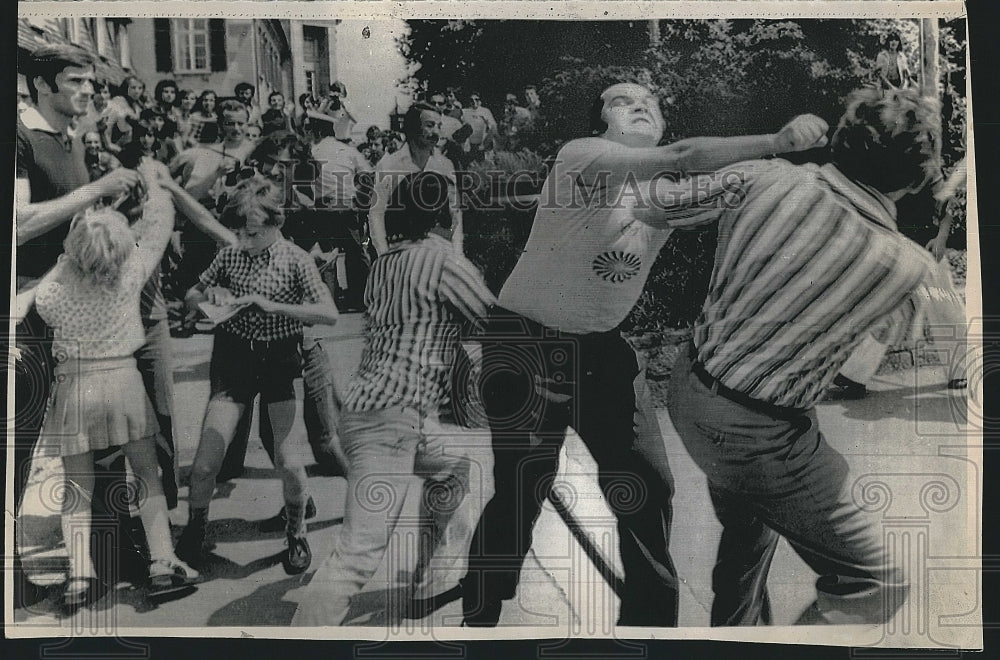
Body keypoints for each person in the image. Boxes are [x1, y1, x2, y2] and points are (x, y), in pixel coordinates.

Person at [460, 81, 831, 627]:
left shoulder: (667, 191)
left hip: (603, 353)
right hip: (524, 345)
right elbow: (688, 156)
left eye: (651, 104)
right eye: (621, 100)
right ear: (600, 124)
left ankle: (651, 627)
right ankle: (482, 607)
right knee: (524, 485)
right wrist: (778, 138)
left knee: (650, 487)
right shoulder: (581, 159)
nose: (639, 105)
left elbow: (735, 187)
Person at [665, 87, 963, 626]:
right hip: (763, 436)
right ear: (916, 178)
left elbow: (653, 204)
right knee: (880, 580)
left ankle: (734, 636)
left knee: (750, 528)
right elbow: (894, 364)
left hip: (690, 391)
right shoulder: (910, 268)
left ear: (843, 141)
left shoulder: (765, 177)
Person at [290, 171, 495, 626]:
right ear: (445, 213)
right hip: (392, 422)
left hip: (377, 412)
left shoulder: (385, 262)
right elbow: (494, 324)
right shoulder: (443, 261)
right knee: (357, 555)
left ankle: (428, 582)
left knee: (456, 469)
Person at [25, 162, 199, 607]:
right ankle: (162, 560)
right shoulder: (130, 275)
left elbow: (46, 297)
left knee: (76, 487)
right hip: (123, 383)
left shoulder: (54, 290)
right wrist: (158, 192)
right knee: (146, 474)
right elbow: (157, 230)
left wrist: (70, 251)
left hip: (73, 389)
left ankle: (80, 575)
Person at [14, 44, 145, 606]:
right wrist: (93, 191)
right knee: (17, 444)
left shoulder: (69, 137)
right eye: (75, 81)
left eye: (91, 81)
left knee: (87, 441)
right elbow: (17, 226)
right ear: (42, 86)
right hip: (25, 313)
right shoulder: (20, 137)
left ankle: (107, 556)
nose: (90, 91)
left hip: (64, 310)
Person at [175, 175, 340, 575]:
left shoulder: (296, 259)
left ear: (275, 224)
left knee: (289, 461)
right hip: (235, 361)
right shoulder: (232, 253)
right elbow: (192, 294)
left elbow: (329, 313)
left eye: (251, 233)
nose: (243, 240)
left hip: (280, 362)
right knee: (203, 465)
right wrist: (206, 298)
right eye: (238, 232)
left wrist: (272, 306)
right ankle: (195, 530)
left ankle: (296, 532)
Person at [368, 101, 463, 256]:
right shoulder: (388, 165)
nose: (436, 132)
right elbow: (376, 214)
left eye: (439, 126)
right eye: (430, 125)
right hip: (399, 255)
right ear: (413, 127)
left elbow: (455, 213)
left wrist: (457, 255)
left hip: (439, 254)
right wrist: (384, 254)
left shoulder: (445, 165)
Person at [306, 110, 374, 310]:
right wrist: (360, 203)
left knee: (325, 252)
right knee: (355, 252)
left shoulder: (311, 151)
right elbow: (368, 177)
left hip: (321, 207)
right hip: (347, 206)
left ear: (316, 131)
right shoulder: (349, 151)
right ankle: (361, 298)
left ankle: (329, 298)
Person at [106, 75, 147, 151]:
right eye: (133, 88)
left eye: (140, 88)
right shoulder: (117, 102)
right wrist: (109, 145)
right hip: (115, 145)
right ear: (126, 88)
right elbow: (108, 126)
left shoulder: (137, 107)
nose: (137, 91)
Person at [463, 92, 498, 158]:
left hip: (483, 144)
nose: (474, 102)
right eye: (471, 100)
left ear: (480, 101)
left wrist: (485, 144)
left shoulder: (486, 111)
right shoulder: (465, 112)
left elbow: (493, 128)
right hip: (470, 145)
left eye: (476, 99)